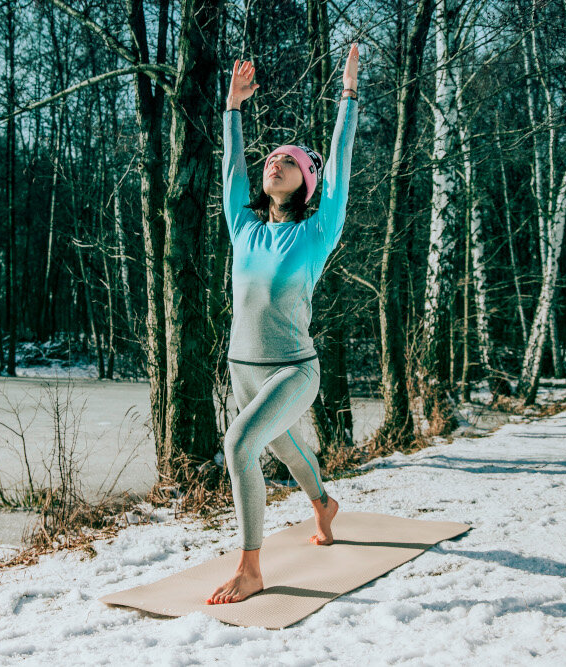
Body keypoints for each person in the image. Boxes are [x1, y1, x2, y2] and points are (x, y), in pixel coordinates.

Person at [206, 46, 360, 606]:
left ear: (306, 182)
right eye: (272, 158)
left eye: (289, 161)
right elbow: (231, 165)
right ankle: (323, 503)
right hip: (242, 369)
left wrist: (348, 95)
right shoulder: (242, 226)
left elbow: (341, 161)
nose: (274, 163)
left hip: (294, 369)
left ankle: (250, 569)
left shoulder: (316, 234)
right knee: (287, 450)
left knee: (241, 444)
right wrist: (233, 107)